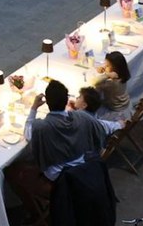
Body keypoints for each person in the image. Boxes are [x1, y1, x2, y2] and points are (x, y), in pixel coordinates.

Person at [14, 80, 110, 210]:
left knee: (13, 171)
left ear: (47, 102)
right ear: (67, 101)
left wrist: (34, 108)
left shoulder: (42, 127)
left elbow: (28, 133)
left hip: (62, 179)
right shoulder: (81, 117)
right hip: (82, 170)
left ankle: (34, 210)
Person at [92, 51, 131, 122]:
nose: (104, 66)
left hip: (115, 108)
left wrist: (106, 75)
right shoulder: (122, 75)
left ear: (115, 69)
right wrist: (105, 70)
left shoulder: (112, 83)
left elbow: (94, 82)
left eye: (107, 66)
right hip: (124, 102)